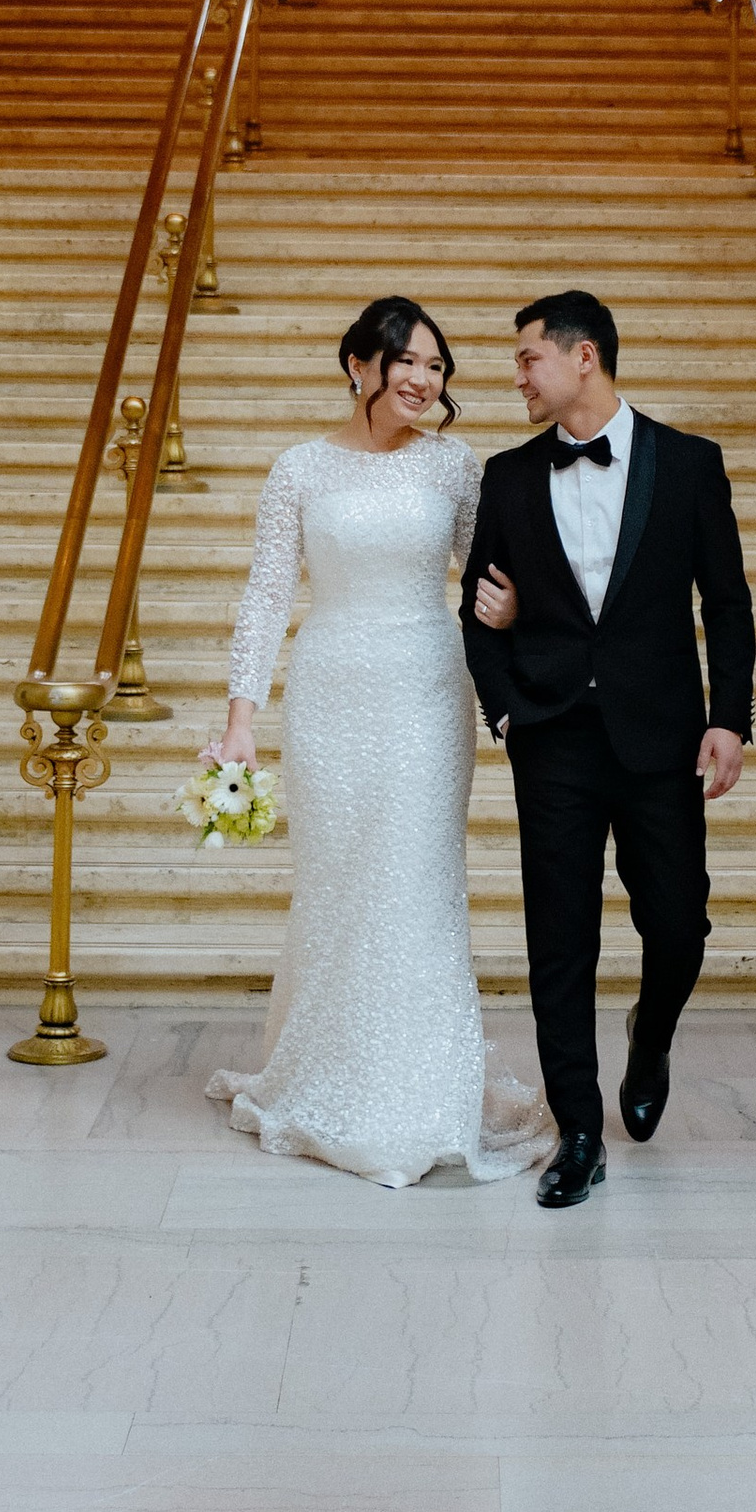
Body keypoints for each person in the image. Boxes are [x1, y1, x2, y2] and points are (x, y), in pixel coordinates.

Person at [207, 296, 552, 1189]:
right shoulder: (299, 469)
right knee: (338, 882)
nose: (423, 380)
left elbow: (489, 574)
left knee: (415, 881)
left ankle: (423, 1092)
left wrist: (511, 610)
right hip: (328, 694)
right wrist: (241, 716)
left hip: (428, 693)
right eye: (408, 361)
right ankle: (330, 1071)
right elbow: (265, 594)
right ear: (359, 364)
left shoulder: (453, 467)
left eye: (437, 367)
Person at [460, 288, 755, 1211]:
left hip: (661, 732)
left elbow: (729, 602)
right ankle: (578, 1129)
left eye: (527, 359)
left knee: (678, 924)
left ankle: (653, 1032)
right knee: (560, 938)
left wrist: (730, 717)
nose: (516, 376)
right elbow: (478, 611)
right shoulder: (505, 478)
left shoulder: (692, 464)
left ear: (583, 357)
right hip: (551, 737)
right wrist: (505, 708)